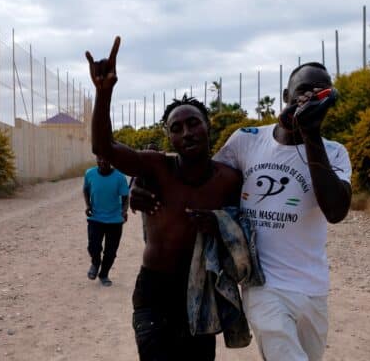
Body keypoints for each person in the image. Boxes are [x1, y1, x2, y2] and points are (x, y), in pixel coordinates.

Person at [130, 62, 352, 361]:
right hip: (263, 285)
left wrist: (310, 134)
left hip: (313, 288)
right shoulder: (247, 140)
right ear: (286, 95)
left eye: (320, 92)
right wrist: (142, 179)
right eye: (303, 91)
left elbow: (336, 211)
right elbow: (198, 169)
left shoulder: (335, 152)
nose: (310, 98)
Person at [85, 37, 243, 360]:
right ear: (168, 136)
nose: (186, 133)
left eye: (193, 123)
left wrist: (219, 224)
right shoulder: (157, 167)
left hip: (201, 293)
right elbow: (105, 148)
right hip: (154, 292)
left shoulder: (228, 179)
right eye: (177, 127)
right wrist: (104, 94)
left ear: (207, 126)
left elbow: (247, 229)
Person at [83, 155, 129, 287]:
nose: (102, 161)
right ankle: (95, 263)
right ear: (96, 159)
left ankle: (104, 274)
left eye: (106, 158)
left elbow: (125, 197)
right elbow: (86, 189)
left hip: (115, 220)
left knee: (111, 251)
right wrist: (88, 205)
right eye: (100, 158)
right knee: (93, 246)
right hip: (95, 217)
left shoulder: (119, 177)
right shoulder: (89, 173)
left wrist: (124, 211)